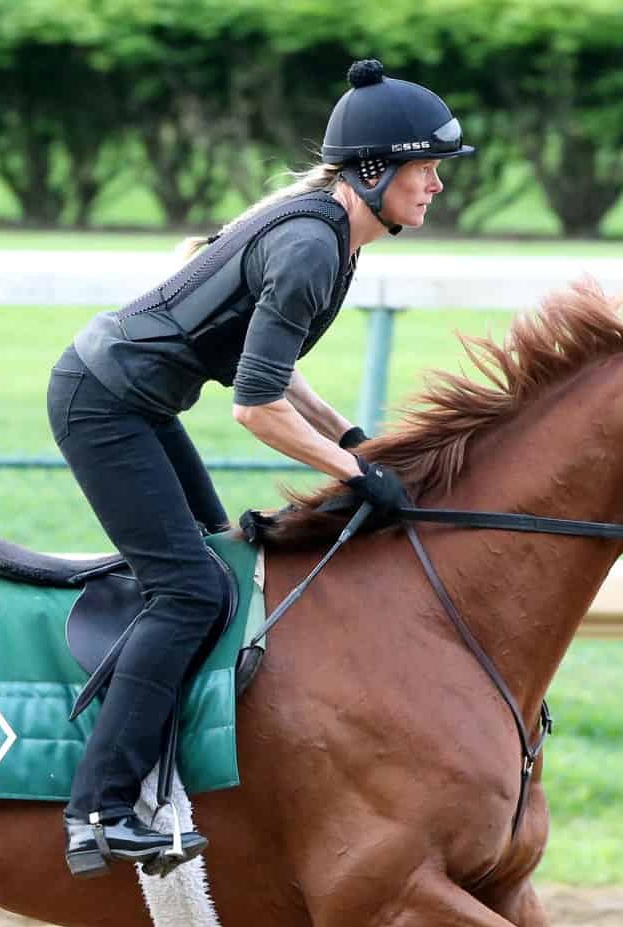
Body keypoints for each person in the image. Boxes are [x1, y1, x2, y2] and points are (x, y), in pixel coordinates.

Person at [48, 57, 474, 879]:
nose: (437, 188)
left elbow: (271, 370)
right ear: (376, 170)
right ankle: (97, 809)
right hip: (101, 403)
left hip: (131, 403)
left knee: (218, 569)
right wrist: (353, 475)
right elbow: (254, 408)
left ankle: (164, 769)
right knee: (192, 590)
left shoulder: (333, 235)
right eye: (427, 170)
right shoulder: (312, 246)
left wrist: (350, 438)